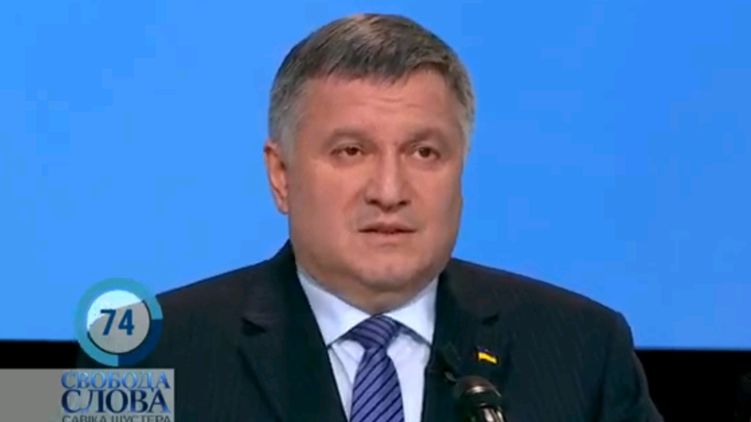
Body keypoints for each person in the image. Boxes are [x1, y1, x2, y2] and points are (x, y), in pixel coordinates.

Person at [79, 13, 663, 421]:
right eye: (351, 151)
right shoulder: (143, 354)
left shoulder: (584, 348)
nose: (389, 190)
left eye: (424, 153)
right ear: (281, 176)